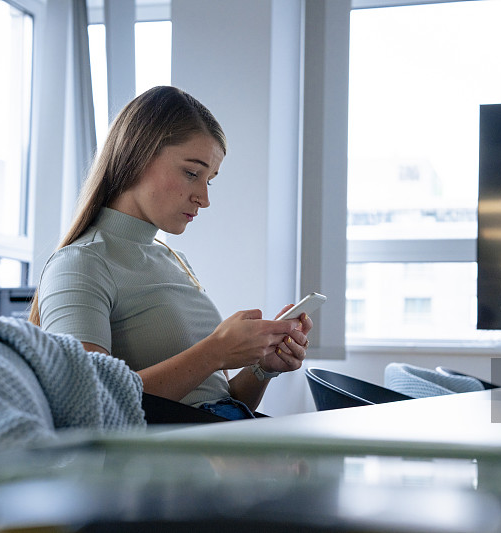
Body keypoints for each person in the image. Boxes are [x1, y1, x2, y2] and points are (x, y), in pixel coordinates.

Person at [28, 86, 311, 420]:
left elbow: (219, 402)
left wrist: (263, 368)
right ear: (136, 156)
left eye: (210, 180)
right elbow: (87, 406)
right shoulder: (79, 265)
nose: (204, 198)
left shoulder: (175, 261)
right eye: (192, 173)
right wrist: (215, 351)